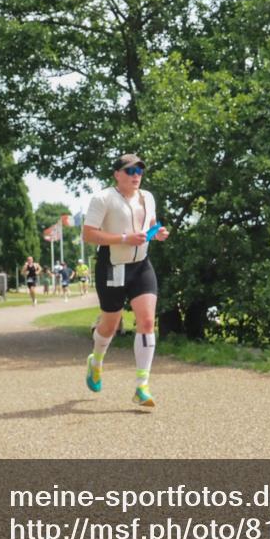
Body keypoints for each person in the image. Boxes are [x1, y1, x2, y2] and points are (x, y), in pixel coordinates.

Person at [82, 153, 170, 406]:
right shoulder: (103, 198)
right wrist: (124, 239)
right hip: (113, 266)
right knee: (110, 325)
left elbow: (150, 223)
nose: (136, 176)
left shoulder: (148, 197)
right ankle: (96, 361)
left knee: (147, 321)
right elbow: (88, 234)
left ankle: (142, 386)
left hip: (141, 265)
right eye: (130, 171)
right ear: (117, 174)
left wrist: (157, 233)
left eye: (139, 171)